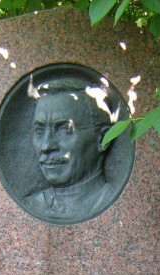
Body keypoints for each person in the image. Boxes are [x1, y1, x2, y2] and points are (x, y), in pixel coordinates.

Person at [23, 78, 119, 221]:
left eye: (64, 129)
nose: (46, 146)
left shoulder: (111, 202)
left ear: (102, 138)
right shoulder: (33, 205)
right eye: (39, 130)